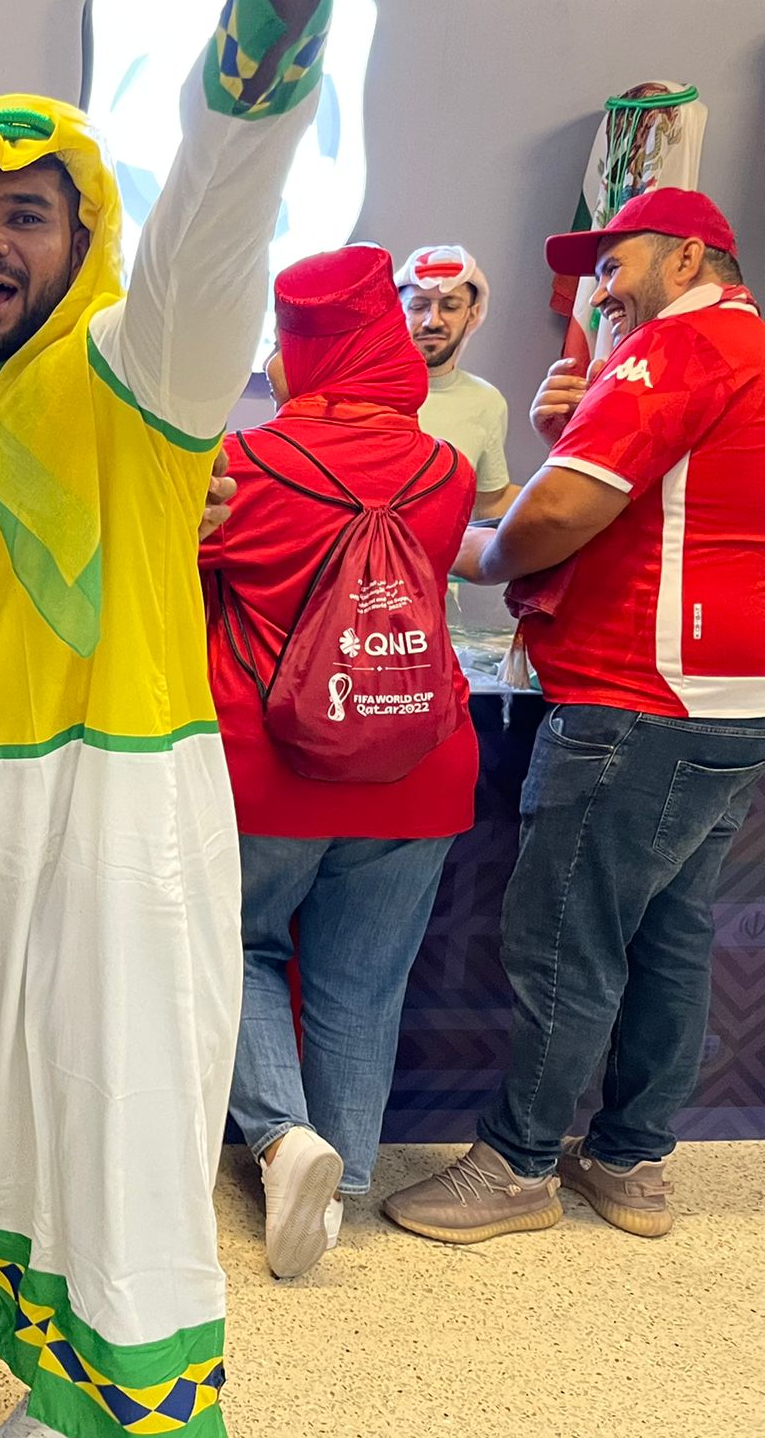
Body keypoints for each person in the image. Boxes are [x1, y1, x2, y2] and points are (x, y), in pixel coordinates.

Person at [0, 0, 356, 1432]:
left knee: (124, 1135)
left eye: (27, 215)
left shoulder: (138, 366)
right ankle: (59, 1385)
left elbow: (220, 202)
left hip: (118, 816)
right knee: (16, 1134)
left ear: (85, 237)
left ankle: (149, 1412)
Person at [384, 187, 765, 1245]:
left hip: (636, 694)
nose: (600, 289)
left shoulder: (676, 349)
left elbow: (551, 514)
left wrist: (466, 552)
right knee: (669, 932)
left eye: (614, 263)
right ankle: (631, 1159)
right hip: (726, 697)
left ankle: (514, 1166)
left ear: (686, 260)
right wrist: (574, 425)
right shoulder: (738, 350)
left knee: (562, 934)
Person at [200, 245, 477, 1280]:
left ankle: (283, 1146)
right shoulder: (447, 470)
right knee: (364, 982)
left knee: (237, 945)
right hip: (419, 763)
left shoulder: (240, 463)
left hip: (270, 767)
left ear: (302, 348)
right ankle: (343, 1185)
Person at [396, 244, 522, 518]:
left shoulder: (487, 401)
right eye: (418, 306)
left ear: (472, 314)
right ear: (398, 312)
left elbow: (489, 502)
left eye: (450, 306)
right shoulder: (357, 391)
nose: (432, 321)